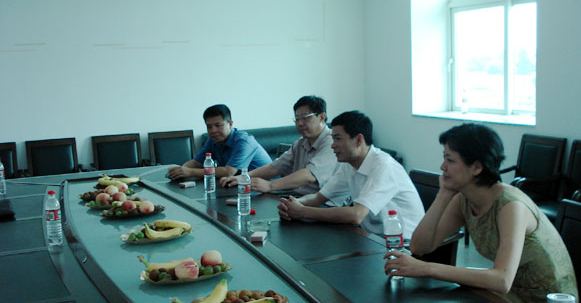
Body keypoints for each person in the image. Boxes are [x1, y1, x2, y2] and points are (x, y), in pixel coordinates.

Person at [386, 123, 578, 303]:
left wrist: (427, 269)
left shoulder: (511, 206)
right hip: (508, 298)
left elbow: (502, 280)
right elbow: (419, 247)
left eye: (450, 160)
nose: (442, 167)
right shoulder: (463, 199)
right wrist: (443, 195)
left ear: (476, 167)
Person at [277, 110, 424, 238]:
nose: (333, 145)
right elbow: (318, 198)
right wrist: (293, 205)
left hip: (403, 245)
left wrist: (303, 212)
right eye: (333, 139)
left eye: (338, 138)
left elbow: (356, 215)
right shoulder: (348, 165)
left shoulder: (384, 166)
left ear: (359, 140)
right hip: (372, 239)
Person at [220, 96, 338, 195]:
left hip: (325, 205)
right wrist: (243, 177)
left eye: (305, 118)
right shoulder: (300, 143)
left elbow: (310, 175)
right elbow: (275, 167)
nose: (300, 123)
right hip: (298, 197)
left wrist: (270, 185)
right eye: (297, 119)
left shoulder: (333, 141)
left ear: (322, 117)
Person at [167, 104, 272, 180]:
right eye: (209, 127)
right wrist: (180, 170)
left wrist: (190, 172)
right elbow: (196, 162)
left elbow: (228, 172)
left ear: (230, 124)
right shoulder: (213, 140)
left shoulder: (244, 141)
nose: (213, 131)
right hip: (237, 185)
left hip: (265, 190)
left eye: (218, 125)